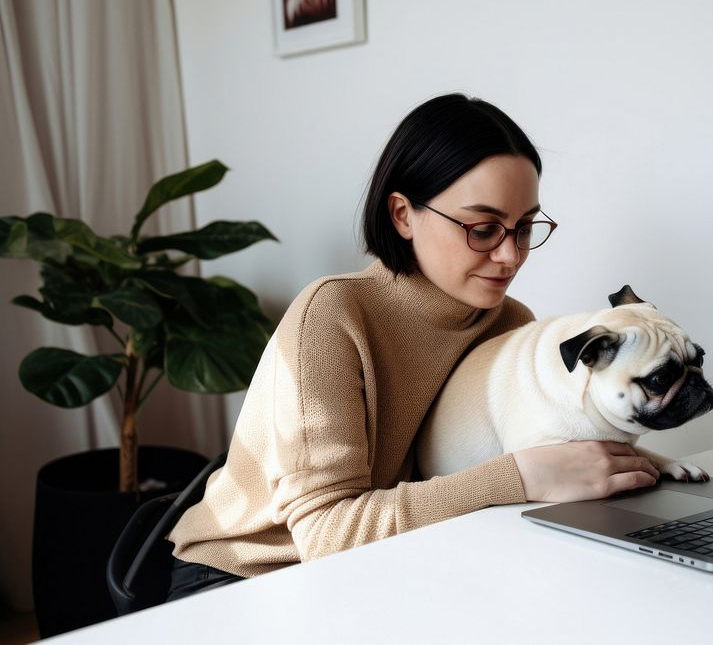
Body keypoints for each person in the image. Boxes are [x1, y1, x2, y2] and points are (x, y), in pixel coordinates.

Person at [165, 93, 661, 600]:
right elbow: (327, 535)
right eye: (483, 228)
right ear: (403, 215)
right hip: (244, 580)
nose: (511, 255)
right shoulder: (332, 317)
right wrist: (520, 476)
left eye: (525, 227)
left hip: (393, 560)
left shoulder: (511, 325)